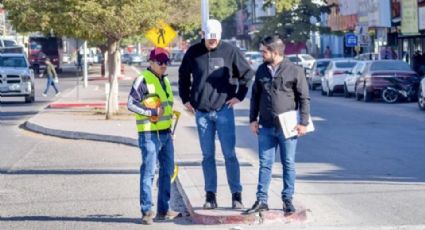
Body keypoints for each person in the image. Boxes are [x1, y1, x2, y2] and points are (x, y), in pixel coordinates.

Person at [178, 19, 255, 209]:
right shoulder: (193, 52)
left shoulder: (230, 51)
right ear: (203, 34)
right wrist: (185, 98)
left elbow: (247, 75)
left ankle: (236, 195)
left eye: (215, 39)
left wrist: (239, 96)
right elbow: (182, 75)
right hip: (202, 112)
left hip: (224, 110)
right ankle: (210, 196)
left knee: (229, 154)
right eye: (209, 38)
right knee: (208, 156)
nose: (212, 42)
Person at [245, 36, 310, 215]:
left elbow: (304, 98)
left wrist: (303, 123)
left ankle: (287, 199)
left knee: (288, 163)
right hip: (266, 126)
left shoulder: (295, 70)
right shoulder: (261, 70)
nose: (261, 54)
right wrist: (252, 120)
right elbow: (255, 97)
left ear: (275, 52)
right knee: (265, 163)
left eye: (264, 51)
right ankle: (261, 199)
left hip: (288, 127)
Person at [127, 47, 180, 225]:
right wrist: (151, 112)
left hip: (166, 134)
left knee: (167, 172)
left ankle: (163, 210)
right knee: (149, 172)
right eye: (160, 62)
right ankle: (147, 211)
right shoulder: (143, 79)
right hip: (149, 133)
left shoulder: (164, 80)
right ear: (151, 62)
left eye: (166, 62)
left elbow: (166, 104)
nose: (164, 65)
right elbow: (131, 103)